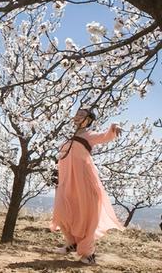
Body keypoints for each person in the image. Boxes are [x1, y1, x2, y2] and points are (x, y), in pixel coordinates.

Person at [51, 108, 123, 265]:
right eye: (77, 114)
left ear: (89, 120)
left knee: (86, 217)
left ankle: (88, 254)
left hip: (84, 182)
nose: (77, 117)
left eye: (82, 115)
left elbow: (105, 136)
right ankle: (72, 243)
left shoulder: (90, 136)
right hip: (67, 182)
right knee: (62, 211)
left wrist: (114, 126)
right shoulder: (68, 138)